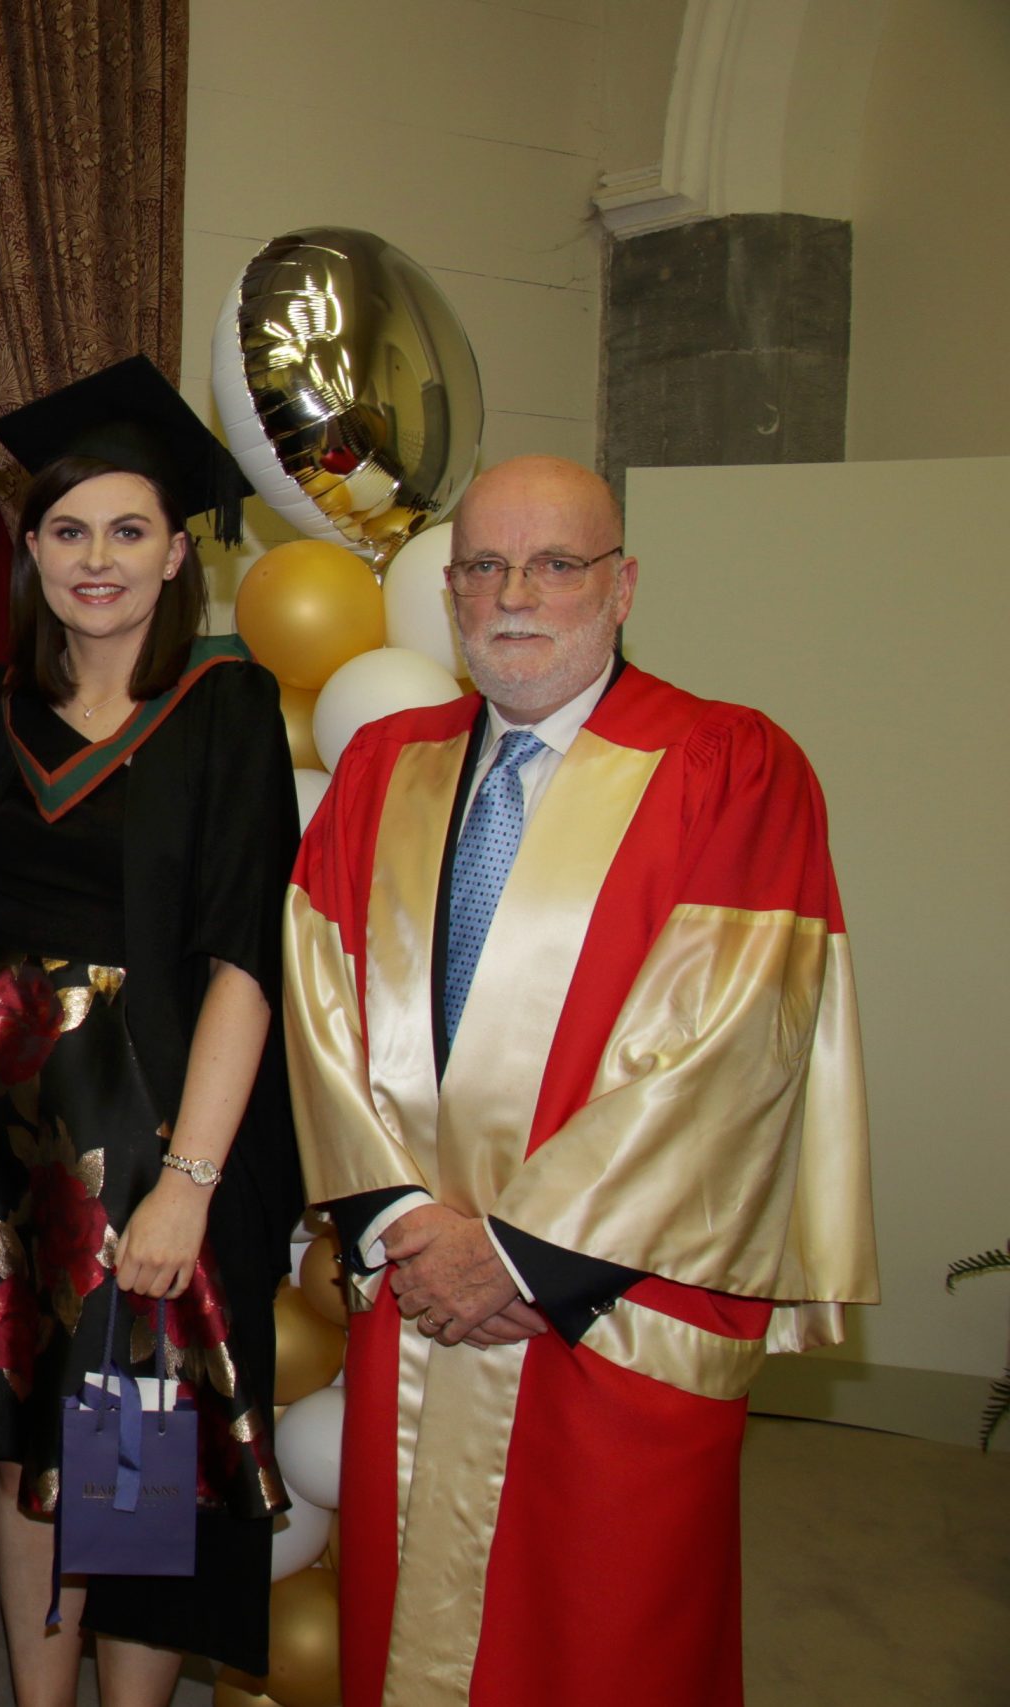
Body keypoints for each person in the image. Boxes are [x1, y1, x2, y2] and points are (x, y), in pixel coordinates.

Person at [282, 454, 878, 1707]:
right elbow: (319, 1011)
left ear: (622, 587)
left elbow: (734, 1054)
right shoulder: (385, 769)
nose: (517, 593)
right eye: (485, 566)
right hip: (421, 1297)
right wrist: (400, 1224)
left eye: (556, 564)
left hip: (612, 1310)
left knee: (608, 1645)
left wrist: (518, 1255)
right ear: (448, 596)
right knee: (406, 1642)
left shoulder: (730, 764)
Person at [0, 357, 303, 1703]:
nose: (97, 558)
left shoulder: (226, 710)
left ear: (178, 549)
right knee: (33, 1442)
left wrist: (188, 1180)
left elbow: (250, 952)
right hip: (17, 1145)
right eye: (68, 528)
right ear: (31, 545)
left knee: (141, 1432)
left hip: (168, 1131)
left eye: (130, 529)